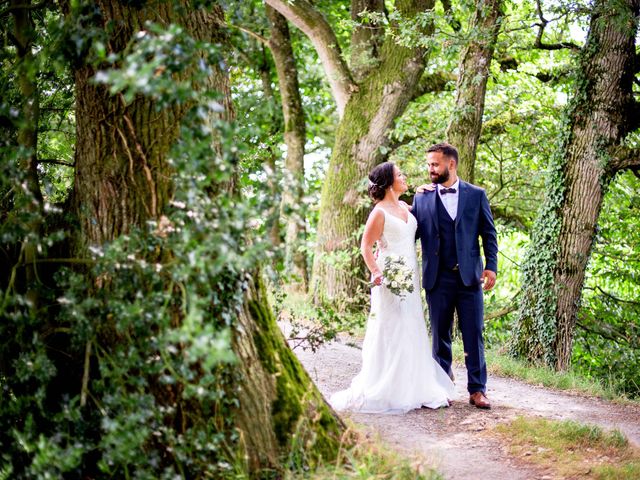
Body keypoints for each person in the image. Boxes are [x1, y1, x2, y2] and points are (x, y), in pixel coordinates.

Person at [329, 162, 454, 413]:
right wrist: (377, 272)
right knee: (391, 327)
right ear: (388, 182)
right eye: (399, 175)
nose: (404, 176)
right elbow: (366, 246)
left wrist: (423, 191)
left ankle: (414, 385)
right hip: (389, 276)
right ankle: (389, 386)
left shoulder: (405, 207)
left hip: (411, 275)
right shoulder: (379, 212)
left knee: (411, 324)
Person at [412, 142, 498, 409]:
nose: (430, 169)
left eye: (435, 164)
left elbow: (489, 233)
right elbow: (408, 232)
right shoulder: (422, 197)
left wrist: (491, 266)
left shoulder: (476, 194)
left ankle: (477, 390)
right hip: (437, 278)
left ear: (451, 164)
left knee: (474, 333)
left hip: (470, 277)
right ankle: (442, 387)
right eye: (428, 164)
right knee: (440, 335)